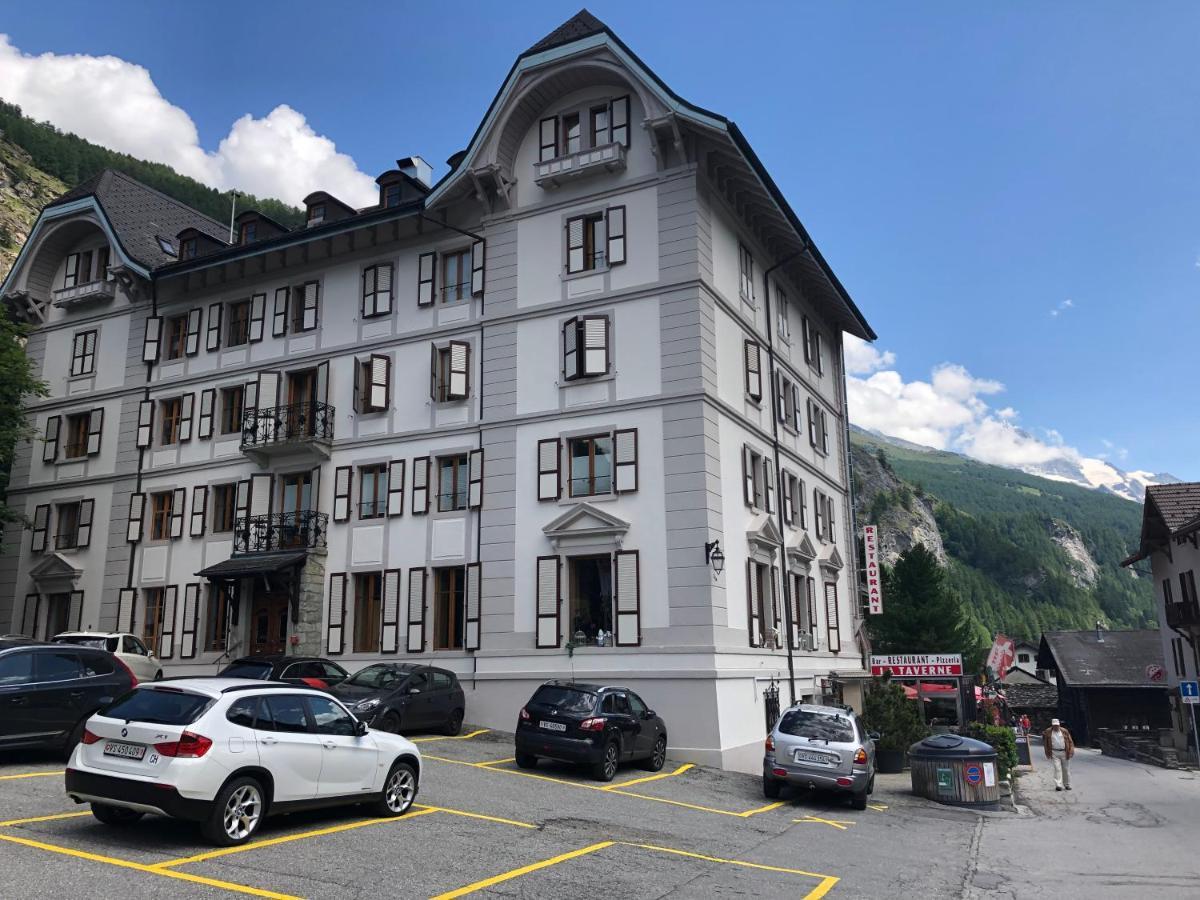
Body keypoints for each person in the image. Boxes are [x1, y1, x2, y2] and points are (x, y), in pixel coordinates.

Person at [1042, 718, 1075, 791]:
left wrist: (1071, 751)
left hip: (1064, 752)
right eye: (1054, 725)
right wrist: (1047, 752)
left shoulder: (1064, 731)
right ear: (1052, 725)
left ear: (1059, 725)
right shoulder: (1048, 731)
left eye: (1057, 725)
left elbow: (1070, 742)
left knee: (1066, 769)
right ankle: (1058, 785)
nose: (1056, 727)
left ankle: (1067, 784)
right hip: (1054, 752)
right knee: (1057, 769)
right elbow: (1045, 743)